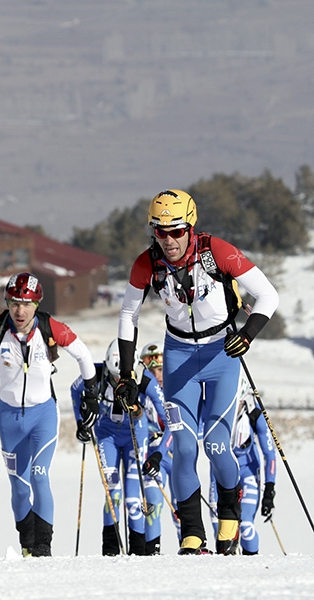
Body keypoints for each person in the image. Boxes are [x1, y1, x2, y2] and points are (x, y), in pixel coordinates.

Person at [114, 189, 279, 555]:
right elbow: (128, 315)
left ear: (190, 226)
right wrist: (127, 374)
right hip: (178, 357)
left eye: (176, 231)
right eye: (160, 232)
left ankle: (230, 513)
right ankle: (192, 532)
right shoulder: (147, 264)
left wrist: (248, 335)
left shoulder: (215, 251)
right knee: (184, 447)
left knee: (218, 445)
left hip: (221, 353)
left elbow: (269, 295)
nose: (169, 240)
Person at [0, 272, 97, 557]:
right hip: (9, 419)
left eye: (27, 304)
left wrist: (91, 395)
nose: (20, 310)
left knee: (39, 475)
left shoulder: (50, 328)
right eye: (14, 303)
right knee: (20, 488)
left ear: (37, 304)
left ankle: (43, 546)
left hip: (43, 415)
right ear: (7, 303)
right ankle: (27, 545)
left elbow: (84, 356)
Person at [71, 340, 170, 555]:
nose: (118, 382)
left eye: (122, 377)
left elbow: (170, 421)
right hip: (107, 435)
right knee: (112, 493)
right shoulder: (96, 373)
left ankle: (138, 551)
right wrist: (82, 422)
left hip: (136, 434)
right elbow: (74, 389)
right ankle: (111, 551)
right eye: (114, 377)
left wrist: (159, 453)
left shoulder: (145, 379)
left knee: (134, 499)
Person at [208, 374, 277, 555]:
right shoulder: (215, 412)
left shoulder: (255, 414)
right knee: (219, 526)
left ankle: (250, 566)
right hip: (220, 475)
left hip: (248, 472)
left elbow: (270, 454)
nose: (230, 407)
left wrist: (269, 490)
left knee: (245, 525)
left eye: (235, 402)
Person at [137, 341, 176, 554]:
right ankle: (152, 553)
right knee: (152, 503)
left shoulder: (175, 391)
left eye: (160, 369)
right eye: (151, 371)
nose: (156, 375)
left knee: (180, 508)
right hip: (152, 455)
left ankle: (190, 550)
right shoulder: (143, 392)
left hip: (172, 452)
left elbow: (175, 426)